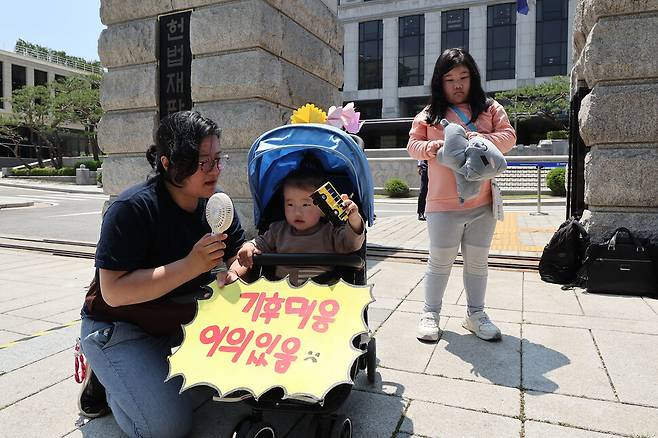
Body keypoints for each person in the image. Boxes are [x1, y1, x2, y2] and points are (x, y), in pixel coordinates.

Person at [78, 111, 247, 438]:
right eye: (202, 162)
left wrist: (239, 267)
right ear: (168, 163)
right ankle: (107, 378)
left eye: (217, 159)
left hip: (178, 321)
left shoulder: (216, 204)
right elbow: (113, 292)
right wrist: (191, 265)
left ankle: (140, 372)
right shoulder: (132, 209)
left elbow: (236, 254)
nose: (215, 170)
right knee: (167, 427)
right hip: (119, 325)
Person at [406, 48, 516, 342]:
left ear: (473, 77)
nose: (457, 85)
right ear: (439, 82)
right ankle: (430, 313)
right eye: (450, 79)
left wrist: (480, 139)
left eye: (464, 77)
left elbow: (508, 137)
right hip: (442, 204)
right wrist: (430, 148)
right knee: (440, 261)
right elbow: (413, 145)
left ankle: (475, 314)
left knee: (478, 262)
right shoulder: (429, 115)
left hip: (483, 202)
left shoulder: (490, 108)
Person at [237, 160, 365, 286]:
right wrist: (249, 246)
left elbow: (352, 243)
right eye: (290, 204)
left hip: (321, 294)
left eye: (305, 205)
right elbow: (261, 242)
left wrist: (353, 218)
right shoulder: (278, 230)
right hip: (281, 293)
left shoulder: (330, 232)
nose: (297, 212)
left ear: (322, 208)